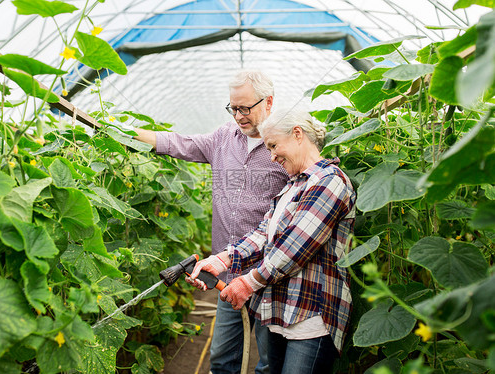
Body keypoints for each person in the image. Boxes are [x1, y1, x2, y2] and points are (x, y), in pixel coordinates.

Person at [132, 71, 289, 374]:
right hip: (227, 272)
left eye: (246, 108)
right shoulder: (222, 138)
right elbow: (179, 143)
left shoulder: (282, 145)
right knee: (221, 359)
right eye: (233, 108)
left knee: (270, 363)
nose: (239, 116)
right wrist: (118, 131)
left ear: (268, 102)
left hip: (270, 275)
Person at [190, 108, 356, 374]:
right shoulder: (292, 186)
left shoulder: (329, 182)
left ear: (298, 134)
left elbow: (293, 248)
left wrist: (246, 282)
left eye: (274, 146)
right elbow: (262, 234)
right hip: (280, 313)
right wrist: (222, 259)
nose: (272, 156)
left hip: (311, 318)